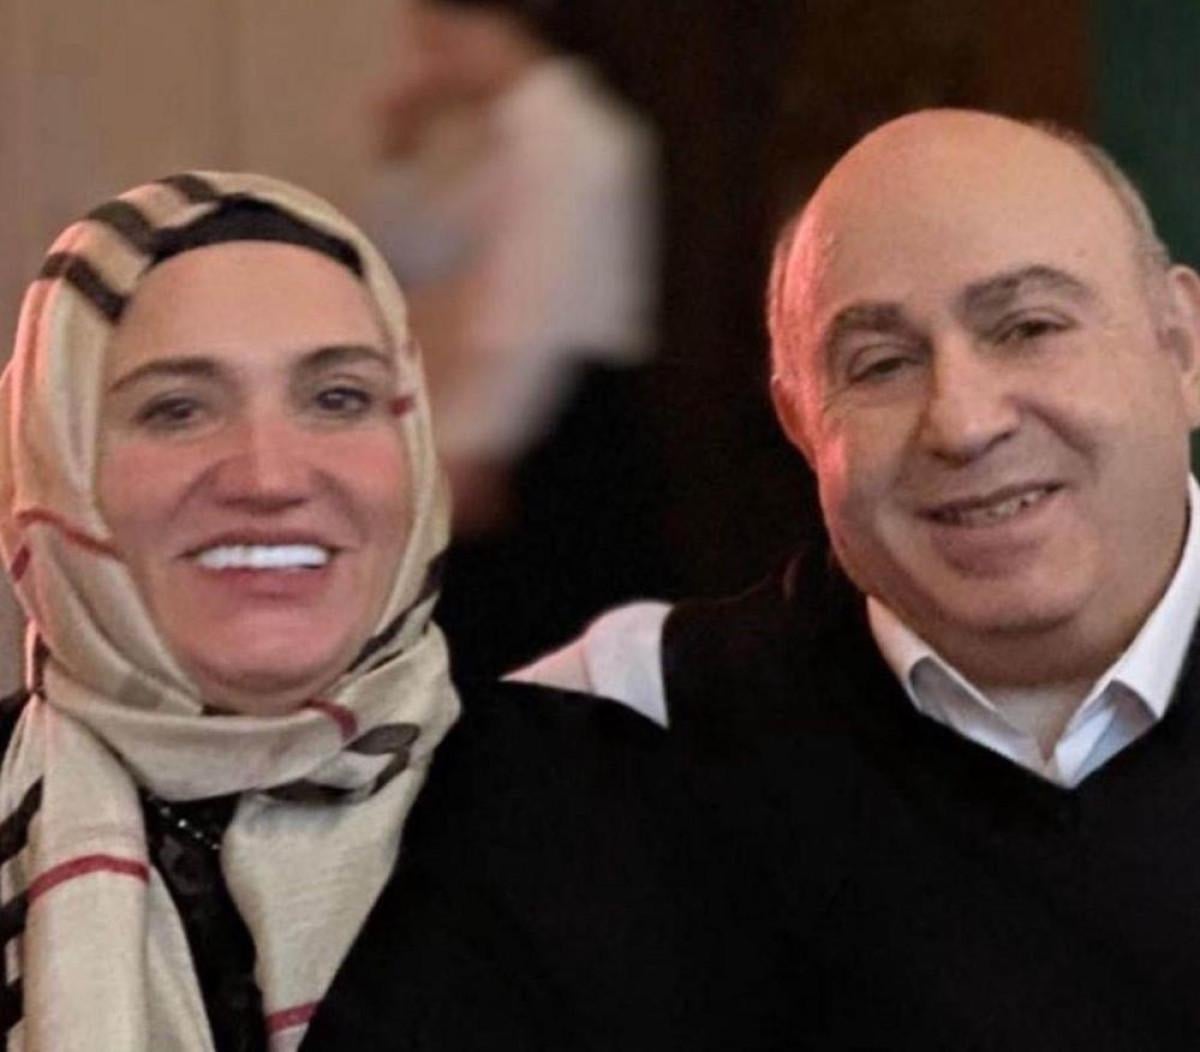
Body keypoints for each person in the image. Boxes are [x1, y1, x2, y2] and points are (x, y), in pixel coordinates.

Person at [518, 109, 1200, 1047]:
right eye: (880, 365)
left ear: (1181, 346)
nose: (963, 423)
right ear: (802, 424)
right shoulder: (624, 729)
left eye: (1029, 326)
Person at [0, 172, 705, 1051]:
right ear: (56, 463)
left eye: (338, 398)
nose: (269, 476)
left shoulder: (620, 809)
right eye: (177, 409)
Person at [366, 0, 668, 676]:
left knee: (546, 651)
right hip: (550, 413)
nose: (428, 63)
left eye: (435, 39)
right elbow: (414, 254)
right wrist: (400, 149)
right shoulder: (521, 136)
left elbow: (535, 319)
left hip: (567, 419)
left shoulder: (563, 133)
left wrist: (473, 448)